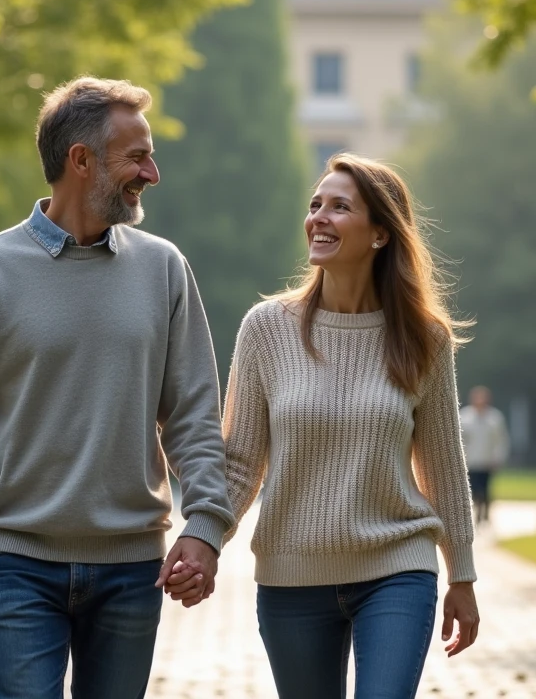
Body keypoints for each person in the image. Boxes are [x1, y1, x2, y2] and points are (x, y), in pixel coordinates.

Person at [0, 76, 234, 699]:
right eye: (137, 157)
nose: (152, 174)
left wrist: (204, 527)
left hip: (133, 569)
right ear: (81, 161)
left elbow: (193, 415)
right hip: (18, 566)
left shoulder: (164, 268)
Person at [182, 154, 479, 698]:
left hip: (396, 567)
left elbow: (442, 466)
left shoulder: (424, 338)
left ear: (380, 234)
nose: (319, 217)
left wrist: (462, 574)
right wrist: (204, 537)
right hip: (292, 577)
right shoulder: (266, 329)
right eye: (315, 204)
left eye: (340, 207)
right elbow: (241, 462)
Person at [459, 385, 510, 525]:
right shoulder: (465, 417)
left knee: (485, 490)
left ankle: (485, 512)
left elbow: (500, 440)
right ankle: (478, 512)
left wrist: (498, 458)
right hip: (471, 461)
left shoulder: (495, 418)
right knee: (474, 489)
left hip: (487, 461)